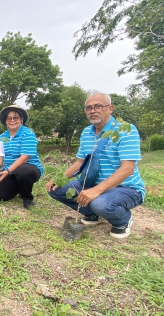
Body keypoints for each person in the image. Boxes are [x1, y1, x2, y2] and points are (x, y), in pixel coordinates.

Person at [46, 93, 145, 239]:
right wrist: (59, 179)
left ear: (110, 108)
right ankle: (93, 215)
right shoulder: (86, 133)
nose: (92, 111)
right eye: (88, 108)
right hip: (94, 184)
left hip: (126, 188)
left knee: (101, 203)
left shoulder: (125, 130)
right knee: (56, 189)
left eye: (98, 106)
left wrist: (95, 191)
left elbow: (127, 168)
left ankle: (123, 220)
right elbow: (79, 162)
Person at [0, 105, 43, 209]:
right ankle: (20, 187)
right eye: (9, 118)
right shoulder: (2, 137)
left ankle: (27, 197)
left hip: (29, 169)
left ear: (21, 120)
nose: (12, 120)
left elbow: (25, 158)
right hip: (10, 172)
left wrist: (8, 171)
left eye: (15, 117)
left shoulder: (28, 134)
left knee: (23, 170)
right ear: (5, 120)